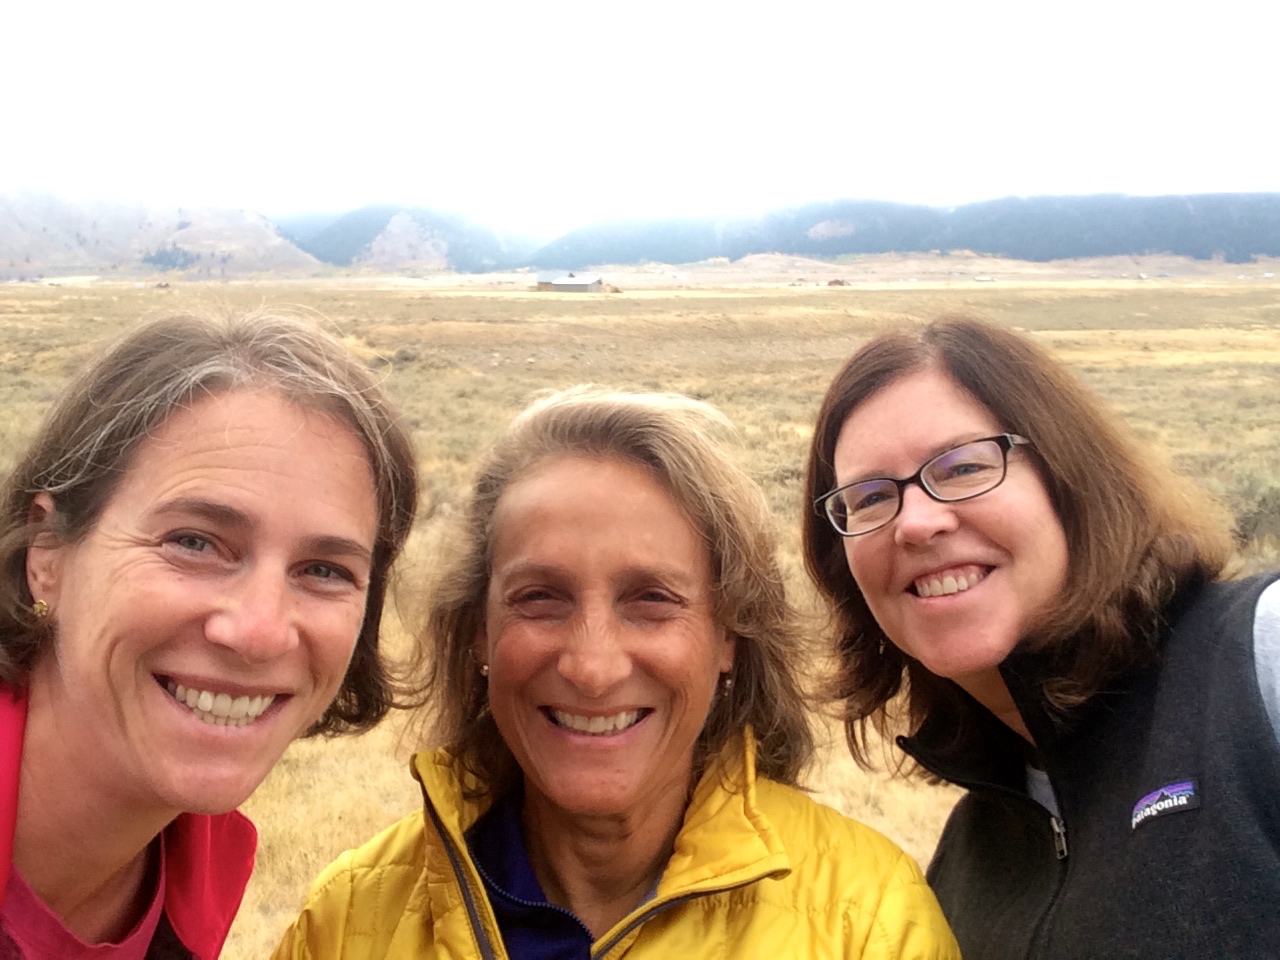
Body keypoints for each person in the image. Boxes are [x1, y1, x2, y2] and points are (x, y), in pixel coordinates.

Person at [273, 387, 959, 959]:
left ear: (728, 636)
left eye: (651, 600)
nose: (592, 669)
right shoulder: (349, 920)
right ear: (478, 632)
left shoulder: (866, 923)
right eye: (540, 598)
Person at [802, 314, 1280, 960]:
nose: (914, 523)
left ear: (1069, 476)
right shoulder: (965, 869)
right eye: (868, 498)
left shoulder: (1258, 663)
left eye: (963, 467)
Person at [0, 312, 418, 958]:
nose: (259, 633)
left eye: (323, 570)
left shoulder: (199, 872)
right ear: (47, 552)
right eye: (194, 542)